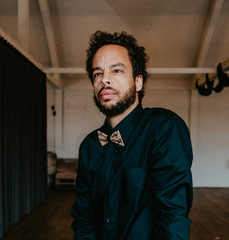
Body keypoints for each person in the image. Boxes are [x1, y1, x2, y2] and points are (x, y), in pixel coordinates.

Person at [71, 31, 193, 240]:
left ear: (138, 82)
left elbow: (172, 218)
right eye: (97, 73)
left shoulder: (164, 128)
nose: (104, 80)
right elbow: (84, 219)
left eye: (116, 70)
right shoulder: (89, 145)